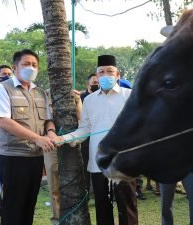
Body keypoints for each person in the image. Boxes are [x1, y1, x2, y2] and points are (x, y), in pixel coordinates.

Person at [57, 55, 138, 225]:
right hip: (98, 161)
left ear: (118, 75)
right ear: (97, 76)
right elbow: (85, 128)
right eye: (101, 72)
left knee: (127, 207)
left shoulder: (131, 96)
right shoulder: (90, 100)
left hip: (124, 161)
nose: (105, 75)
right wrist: (63, 138)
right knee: (102, 207)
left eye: (110, 71)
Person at [0, 49, 56, 225]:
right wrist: (37, 138)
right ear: (15, 67)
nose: (31, 68)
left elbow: (48, 120)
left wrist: (50, 132)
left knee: (29, 205)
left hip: (35, 157)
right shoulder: (2, 89)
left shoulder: (40, 93)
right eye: (26, 64)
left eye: (34, 65)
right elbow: (3, 121)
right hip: (12, 157)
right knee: (13, 207)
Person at [79, 73, 99, 193]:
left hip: (99, 138)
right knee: (86, 165)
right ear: (88, 84)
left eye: (98, 83)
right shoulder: (81, 98)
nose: (96, 85)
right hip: (86, 138)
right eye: (94, 83)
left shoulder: (102, 97)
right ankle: (86, 191)